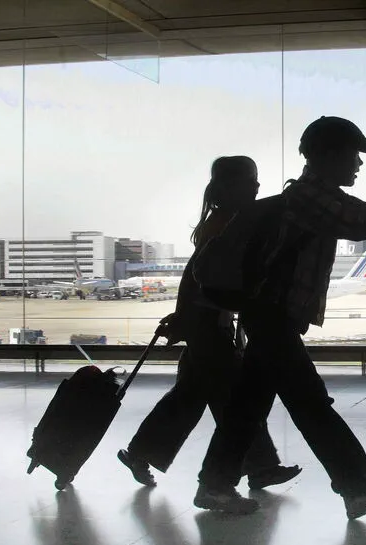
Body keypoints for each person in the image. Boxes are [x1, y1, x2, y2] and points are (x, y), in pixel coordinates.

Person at [194, 116, 366, 518]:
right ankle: (356, 486)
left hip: (269, 317)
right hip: (271, 317)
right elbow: (361, 221)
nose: (358, 164)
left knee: (246, 408)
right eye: (353, 154)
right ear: (325, 155)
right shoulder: (308, 198)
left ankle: (215, 485)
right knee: (311, 403)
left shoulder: (313, 197)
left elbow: (360, 215)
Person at [117, 156, 301, 499]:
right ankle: (260, 467)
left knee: (191, 397)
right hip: (207, 325)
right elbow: (198, 279)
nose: (256, 187)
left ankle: (142, 453)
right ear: (229, 187)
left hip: (208, 324)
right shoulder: (225, 224)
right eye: (250, 181)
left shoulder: (224, 221)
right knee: (238, 401)